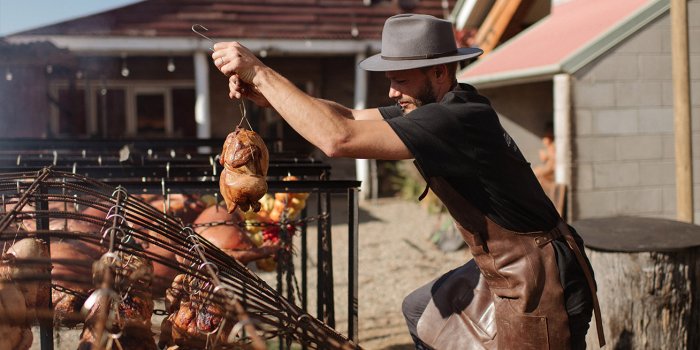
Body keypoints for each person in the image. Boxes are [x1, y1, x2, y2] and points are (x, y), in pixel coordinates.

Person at [212, 13, 604, 350]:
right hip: (499, 267)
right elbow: (347, 114)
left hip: (539, 275)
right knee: (421, 310)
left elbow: (339, 138)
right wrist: (269, 97)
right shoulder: (437, 105)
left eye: (400, 80)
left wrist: (260, 73)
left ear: (439, 71)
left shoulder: (454, 119)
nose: (391, 91)